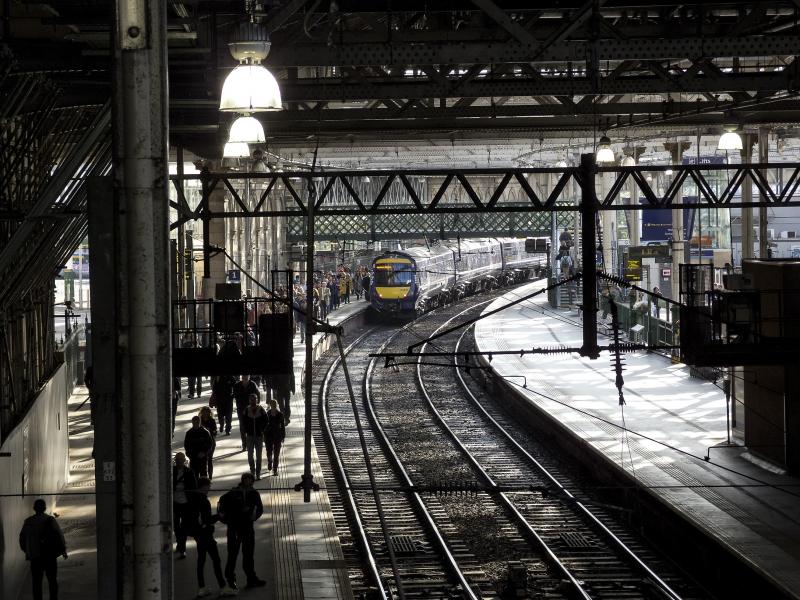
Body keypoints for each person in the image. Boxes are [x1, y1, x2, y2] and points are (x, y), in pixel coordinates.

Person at [218, 473, 266, 594]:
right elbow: (222, 507)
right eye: (246, 479)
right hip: (234, 527)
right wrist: (235, 514)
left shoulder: (254, 494)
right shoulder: (233, 493)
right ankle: (230, 580)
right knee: (233, 554)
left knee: (248, 554)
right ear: (243, 480)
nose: (248, 482)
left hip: (247, 527)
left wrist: (252, 516)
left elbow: (259, 509)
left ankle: (251, 578)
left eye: (250, 480)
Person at [19, 499, 67, 600]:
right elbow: (59, 536)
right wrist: (63, 550)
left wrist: (29, 552)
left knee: (36, 583)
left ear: (34, 508)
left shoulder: (28, 522)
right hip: (49, 556)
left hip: (35, 558)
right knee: (52, 581)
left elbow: (22, 540)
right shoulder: (50, 520)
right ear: (45, 508)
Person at [190, 478, 226, 597]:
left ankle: (201, 587)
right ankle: (223, 586)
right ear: (204, 486)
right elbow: (206, 519)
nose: (209, 488)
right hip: (205, 534)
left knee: (201, 560)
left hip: (197, 533)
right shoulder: (203, 501)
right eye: (208, 486)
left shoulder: (192, 498)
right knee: (216, 560)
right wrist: (218, 516)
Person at [173, 452, 197, 559]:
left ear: (184, 461)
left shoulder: (189, 472)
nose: (179, 462)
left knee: (183, 527)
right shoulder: (172, 471)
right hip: (175, 503)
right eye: (177, 460)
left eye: (180, 460)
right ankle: (180, 545)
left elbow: (193, 488)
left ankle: (181, 548)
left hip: (186, 503)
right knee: (177, 527)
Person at [242, 393, 267, 479]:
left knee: (259, 456)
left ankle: (258, 473)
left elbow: (266, 420)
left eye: (254, 399)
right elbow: (243, 422)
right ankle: (252, 471)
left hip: (259, 436)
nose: (253, 401)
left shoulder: (261, 409)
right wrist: (246, 430)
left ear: (257, 400)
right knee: (250, 455)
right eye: (251, 399)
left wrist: (262, 429)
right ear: (249, 400)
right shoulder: (246, 410)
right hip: (249, 436)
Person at [233, 375, 260, 450]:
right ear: (241, 378)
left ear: (249, 378)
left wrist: (257, 405)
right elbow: (235, 395)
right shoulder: (237, 385)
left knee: (250, 427)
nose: (245, 380)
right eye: (243, 378)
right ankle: (244, 444)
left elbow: (258, 394)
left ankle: (249, 443)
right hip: (241, 409)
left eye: (246, 378)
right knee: (242, 427)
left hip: (250, 409)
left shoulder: (253, 384)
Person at [264, 399, 286, 476]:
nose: (273, 406)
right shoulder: (267, 414)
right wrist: (264, 435)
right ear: (270, 405)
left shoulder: (280, 414)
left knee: (276, 454)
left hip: (277, 435)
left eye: (274, 405)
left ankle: (275, 470)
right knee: (269, 451)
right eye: (272, 405)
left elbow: (282, 426)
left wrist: (283, 436)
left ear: (276, 405)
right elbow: (265, 426)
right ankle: (270, 461)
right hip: (269, 435)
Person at [199, 408, 219, 479]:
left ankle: (210, 476)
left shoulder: (212, 420)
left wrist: (212, 431)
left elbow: (215, 431)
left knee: (210, 459)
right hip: (201, 443)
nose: (205, 414)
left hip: (211, 442)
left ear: (209, 413)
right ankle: (203, 476)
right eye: (204, 412)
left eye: (207, 412)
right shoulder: (199, 421)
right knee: (202, 460)